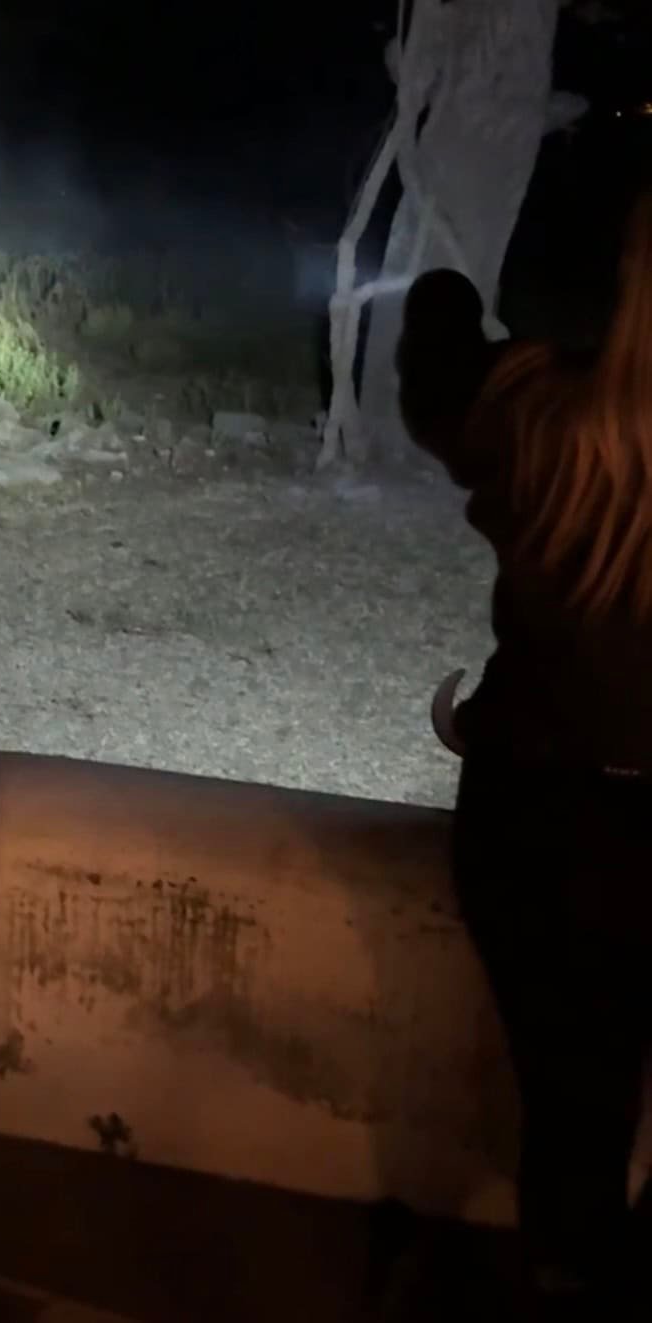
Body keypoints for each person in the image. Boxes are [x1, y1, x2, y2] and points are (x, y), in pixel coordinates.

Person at [396, 191, 652, 1321]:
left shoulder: (536, 415)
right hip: (573, 819)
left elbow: (437, 351)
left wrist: (453, 288)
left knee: (572, 1110)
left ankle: (566, 1280)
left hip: (544, 824)